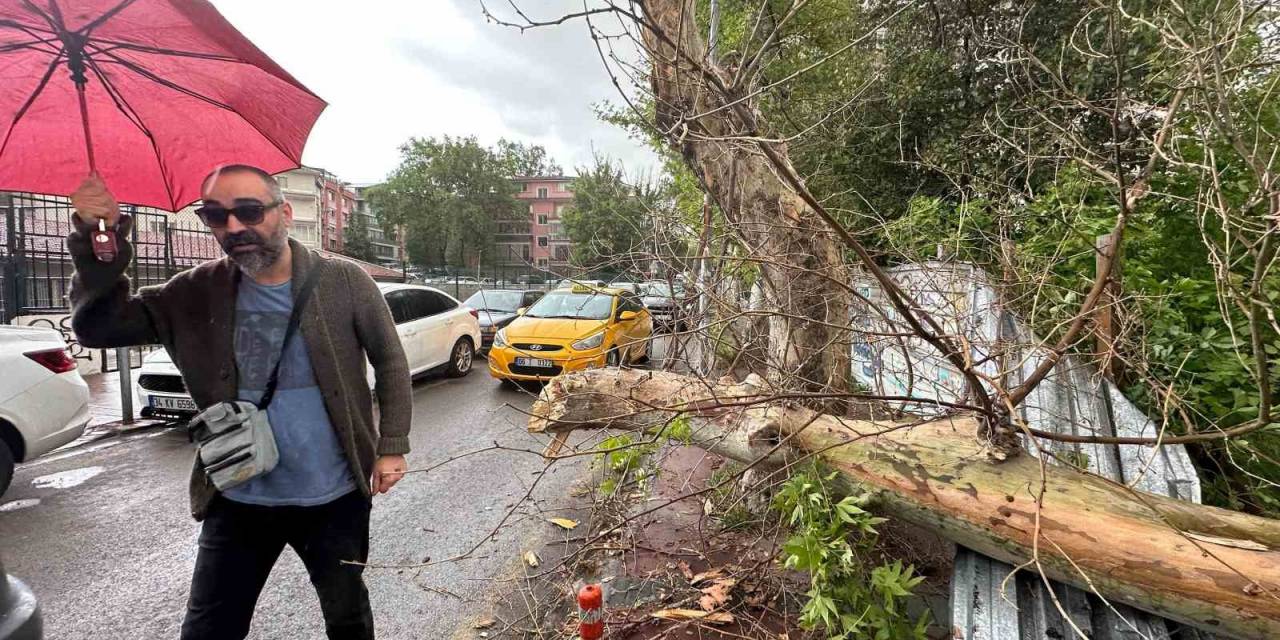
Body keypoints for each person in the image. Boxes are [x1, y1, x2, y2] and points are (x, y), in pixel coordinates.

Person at [66, 165, 413, 640]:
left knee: (347, 617)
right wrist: (97, 239)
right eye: (216, 215)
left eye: (249, 211)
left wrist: (392, 445)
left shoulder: (343, 280)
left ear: (284, 213)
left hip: (334, 495)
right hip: (236, 494)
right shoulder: (194, 290)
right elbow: (98, 328)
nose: (233, 227)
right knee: (209, 629)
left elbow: (390, 361)